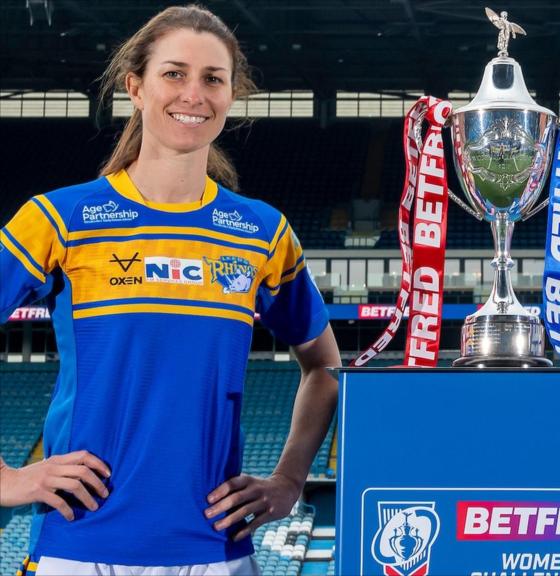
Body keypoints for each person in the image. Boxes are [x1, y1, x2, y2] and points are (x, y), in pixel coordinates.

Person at [0, 5, 340, 575]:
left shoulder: (263, 232)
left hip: (217, 552)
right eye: (174, 73)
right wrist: (10, 478)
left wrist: (288, 479)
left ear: (232, 95)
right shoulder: (60, 218)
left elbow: (324, 366)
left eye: (213, 78)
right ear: (136, 87)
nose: (194, 94)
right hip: (79, 547)